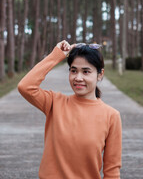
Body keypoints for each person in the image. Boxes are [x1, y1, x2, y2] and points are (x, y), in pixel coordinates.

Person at [18, 40, 122, 179]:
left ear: (100, 74)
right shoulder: (54, 103)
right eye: (73, 71)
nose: (78, 78)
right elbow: (25, 86)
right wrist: (57, 55)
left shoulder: (111, 116)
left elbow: (112, 171)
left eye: (86, 72)